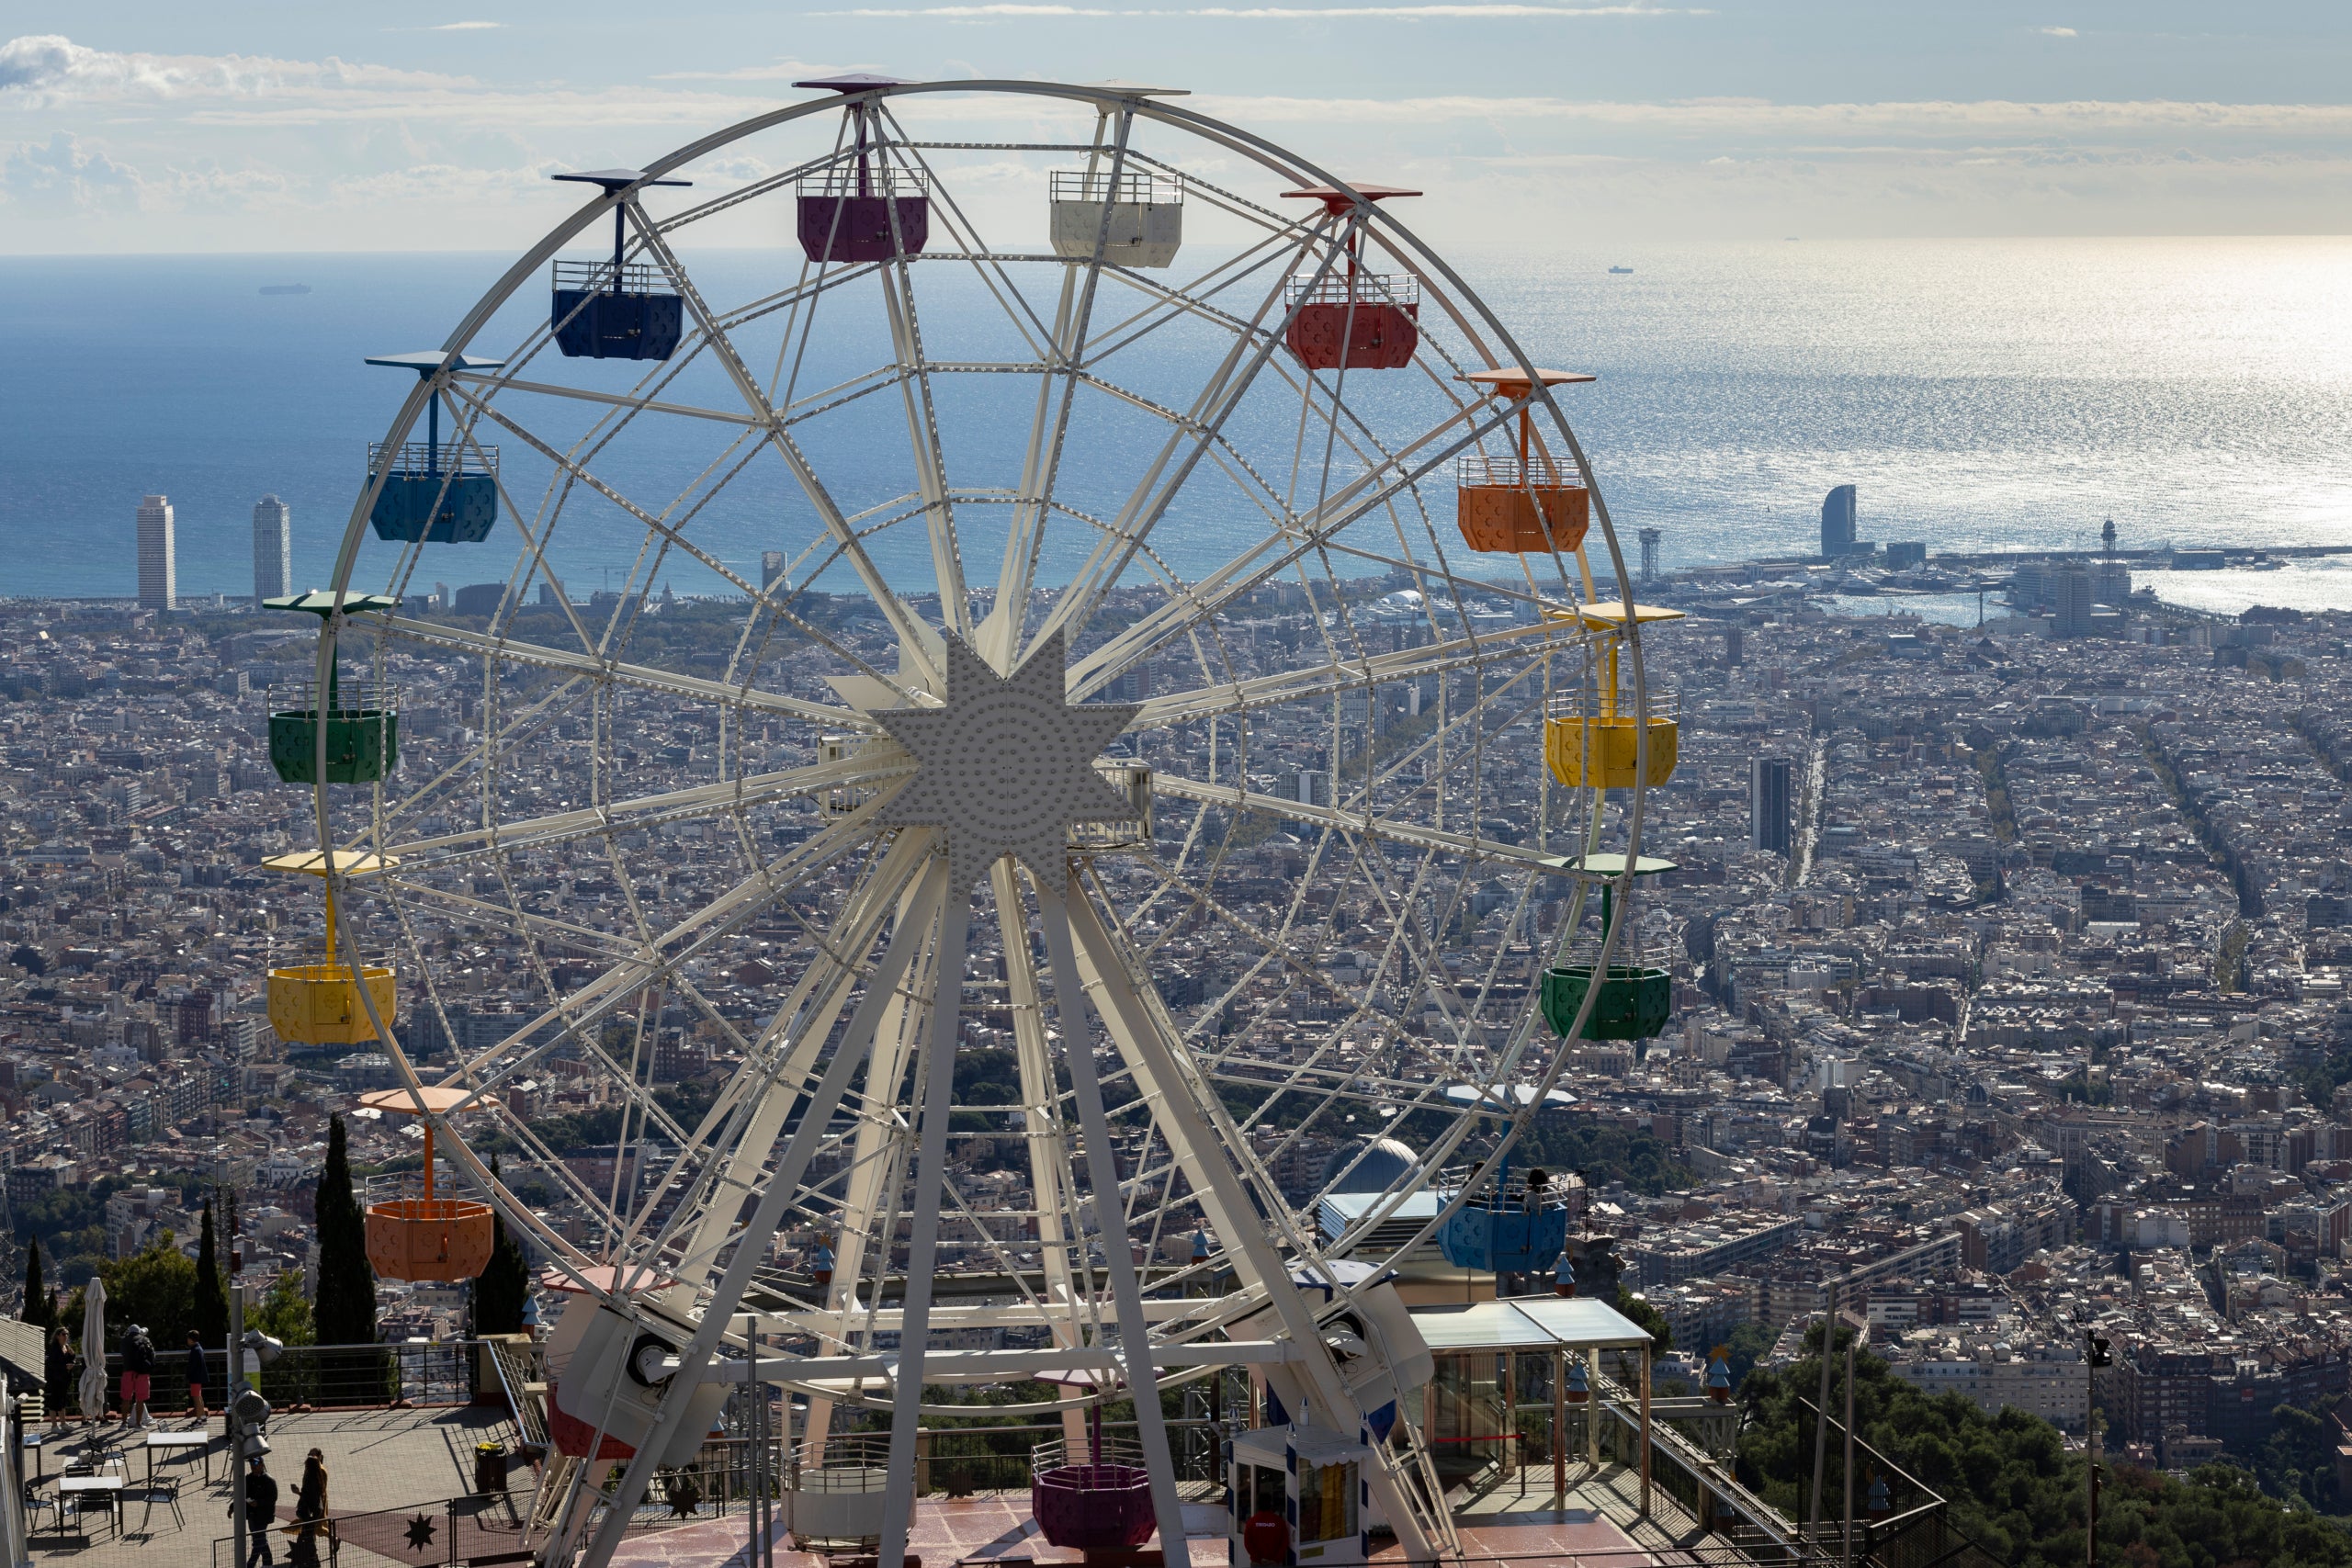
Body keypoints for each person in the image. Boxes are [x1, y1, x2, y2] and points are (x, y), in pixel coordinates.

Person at [291, 1449, 332, 1566]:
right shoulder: (315, 1476)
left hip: (311, 1513)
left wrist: (298, 1492)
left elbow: (310, 1496)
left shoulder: (312, 1478)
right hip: (313, 1512)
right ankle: (310, 1559)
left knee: (308, 1537)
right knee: (308, 1536)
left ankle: (312, 1560)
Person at [241, 1455, 280, 1568]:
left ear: (262, 1465)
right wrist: (233, 1507)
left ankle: (250, 1565)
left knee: (258, 1541)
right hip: (251, 1515)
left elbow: (273, 1498)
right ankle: (268, 1564)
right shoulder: (248, 1478)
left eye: (256, 1464)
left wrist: (258, 1503)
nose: (253, 1466)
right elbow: (242, 1494)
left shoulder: (269, 1480)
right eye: (252, 1464)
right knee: (260, 1539)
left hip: (263, 1516)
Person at [120, 1322, 155, 1429]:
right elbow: (152, 1355)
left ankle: (124, 1424)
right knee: (140, 1399)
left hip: (128, 1372)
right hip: (142, 1373)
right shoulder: (145, 1340)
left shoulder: (124, 1341)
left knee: (126, 1398)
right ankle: (138, 1424)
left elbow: (123, 1354)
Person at [43, 1327, 73, 1430]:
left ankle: (63, 1423)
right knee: (54, 1402)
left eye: (67, 1334)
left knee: (62, 1401)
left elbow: (71, 1359)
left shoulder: (66, 1347)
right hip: (55, 1379)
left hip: (64, 1378)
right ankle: (54, 1426)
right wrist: (65, 1367)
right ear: (57, 1336)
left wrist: (72, 1356)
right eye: (64, 1334)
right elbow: (51, 1365)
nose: (66, 1336)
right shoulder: (54, 1348)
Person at [187, 1330, 210, 1425]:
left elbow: (192, 1366)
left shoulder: (195, 1350)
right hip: (198, 1377)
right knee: (199, 1397)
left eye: (188, 1338)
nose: (187, 1340)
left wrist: (188, 1375)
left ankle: (199, 1420)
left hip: (195, 1378)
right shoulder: (199, 1348)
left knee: (196, 1398)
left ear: (191, 1339)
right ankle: (203, 1418)